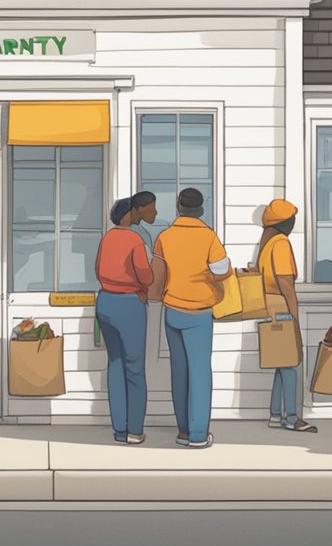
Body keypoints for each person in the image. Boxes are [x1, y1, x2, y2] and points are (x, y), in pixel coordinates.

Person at [148, 187, 231, 449]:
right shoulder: (208, 237)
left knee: (179, 371)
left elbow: (157, 275)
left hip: (172, 310)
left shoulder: (165, 236)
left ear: (178, 208)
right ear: (201, 209)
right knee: (200, 373)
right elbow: (222, 270)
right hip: (199, 313)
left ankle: (182, 430)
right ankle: (197, 435)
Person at [95, 197, 154, 444]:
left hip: (105, 302)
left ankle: (119, 428)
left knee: (116, 364)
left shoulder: (107, 237)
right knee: (135, 368)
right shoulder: (134, 239)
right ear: (128, 214)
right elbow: (146, 275)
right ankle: (135, 430)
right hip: (129, 304)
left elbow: (98, 270)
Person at [255, 199, 316, 433]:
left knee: (280, 364)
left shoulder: (267, 243)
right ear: (285, 222)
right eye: (292, 219)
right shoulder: (281, 244)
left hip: (268, 308)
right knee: (290, 364)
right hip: (281, 308)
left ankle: (274, 415)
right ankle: (291, 417)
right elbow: (286, 285)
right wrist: (296, 318)